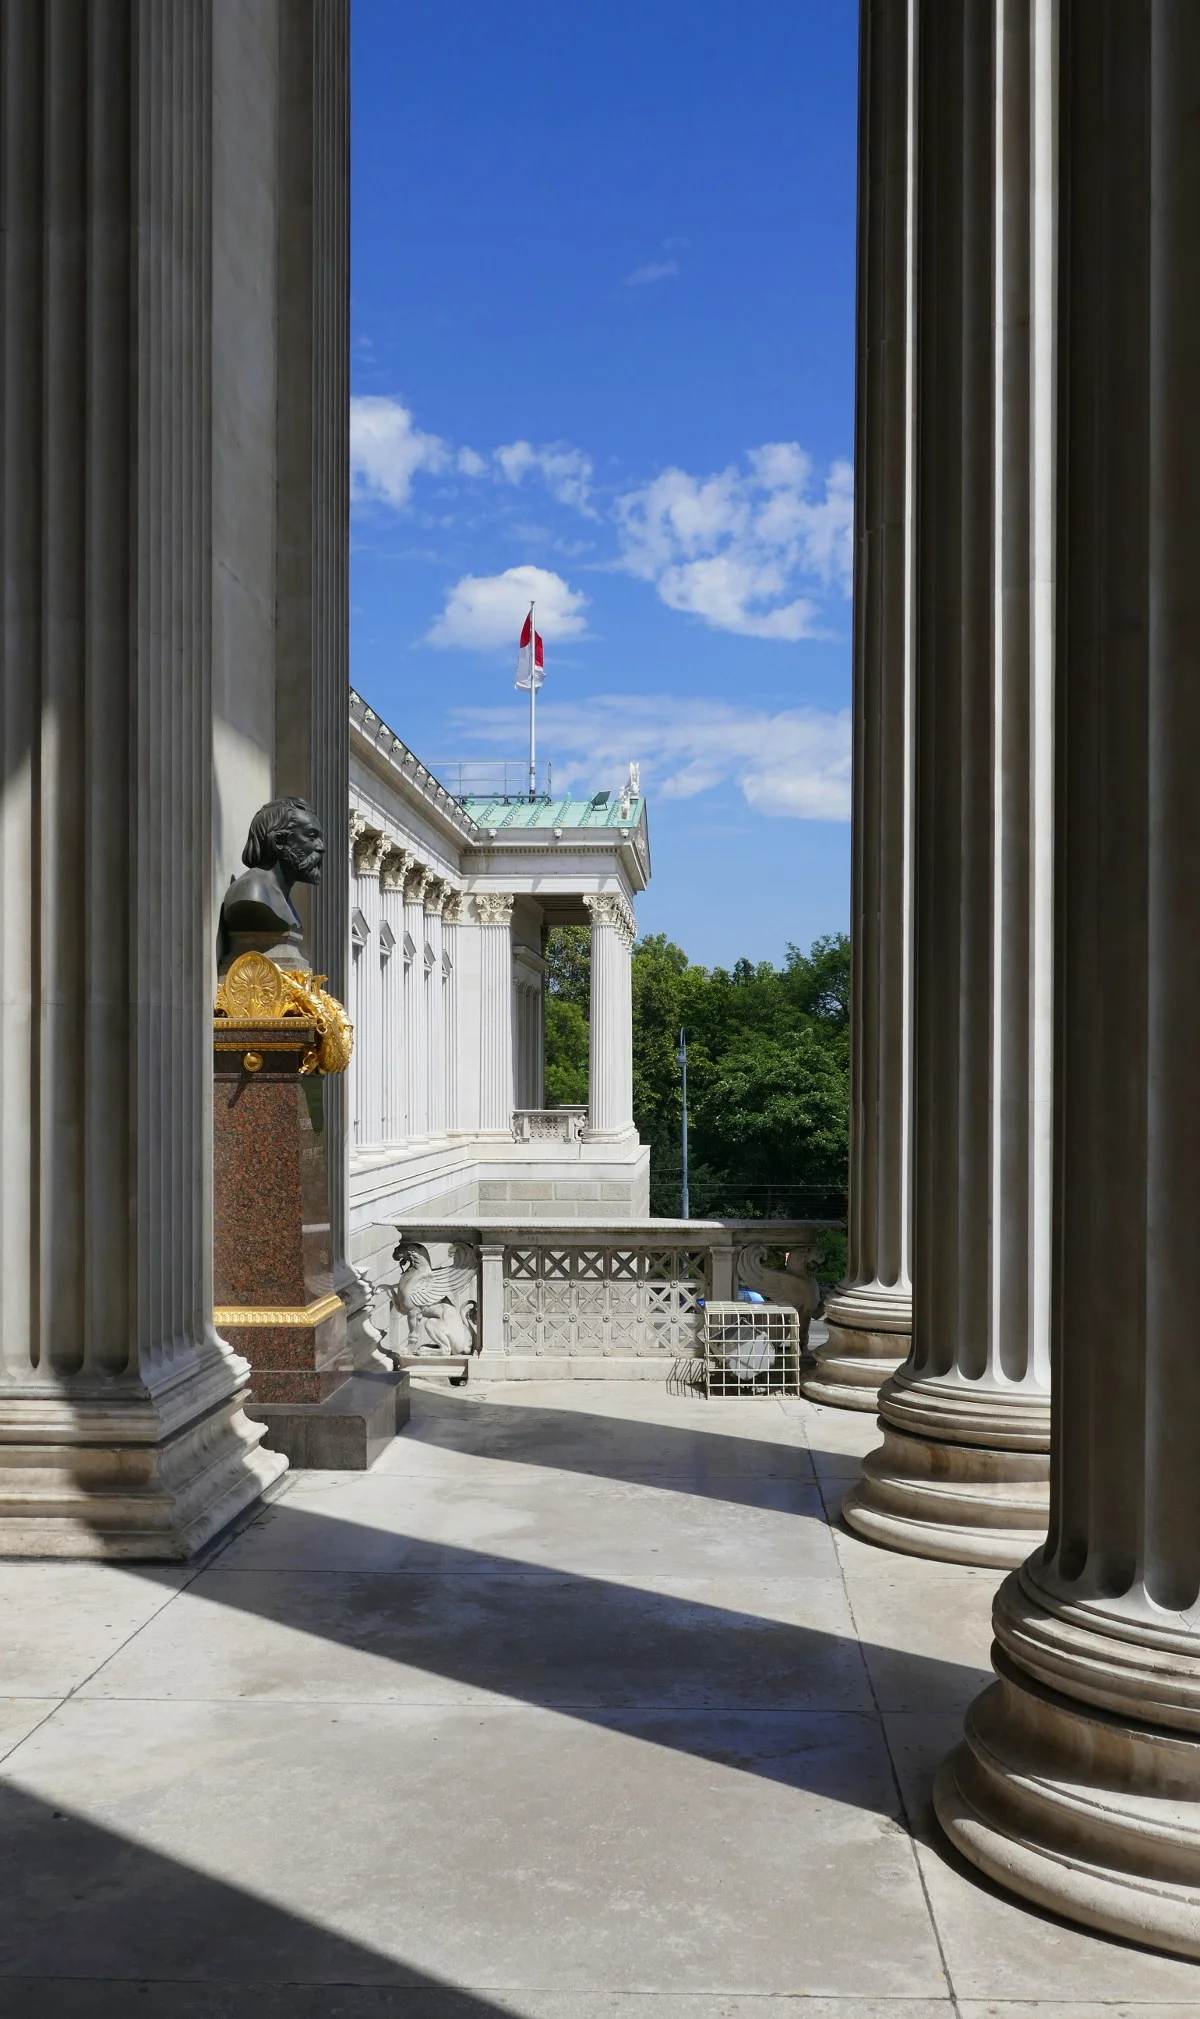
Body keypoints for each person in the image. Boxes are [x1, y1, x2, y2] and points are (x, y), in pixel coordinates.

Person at [218, 796, 325, 972]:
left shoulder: (281, 897)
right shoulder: (252, 892)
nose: (321, 847)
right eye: (311, 836)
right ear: (279, 841)